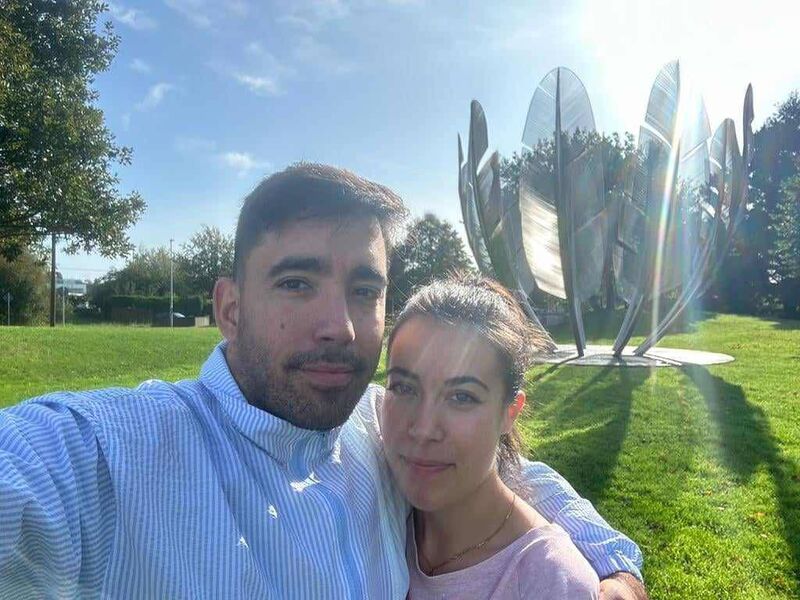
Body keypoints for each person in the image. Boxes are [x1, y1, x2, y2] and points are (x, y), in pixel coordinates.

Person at [0, 163, 645, 599]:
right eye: (296, 283)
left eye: (364, 290)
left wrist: (614, 563)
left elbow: (502, 468)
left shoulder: (379, 421)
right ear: (230, 308)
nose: (340, 326)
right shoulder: (114, 454)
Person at [382, 277, 600, 598]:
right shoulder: (382, 513)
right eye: (404, 388)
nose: (424, 428)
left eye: (462, 397)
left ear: (510, 412)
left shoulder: (549, 582)